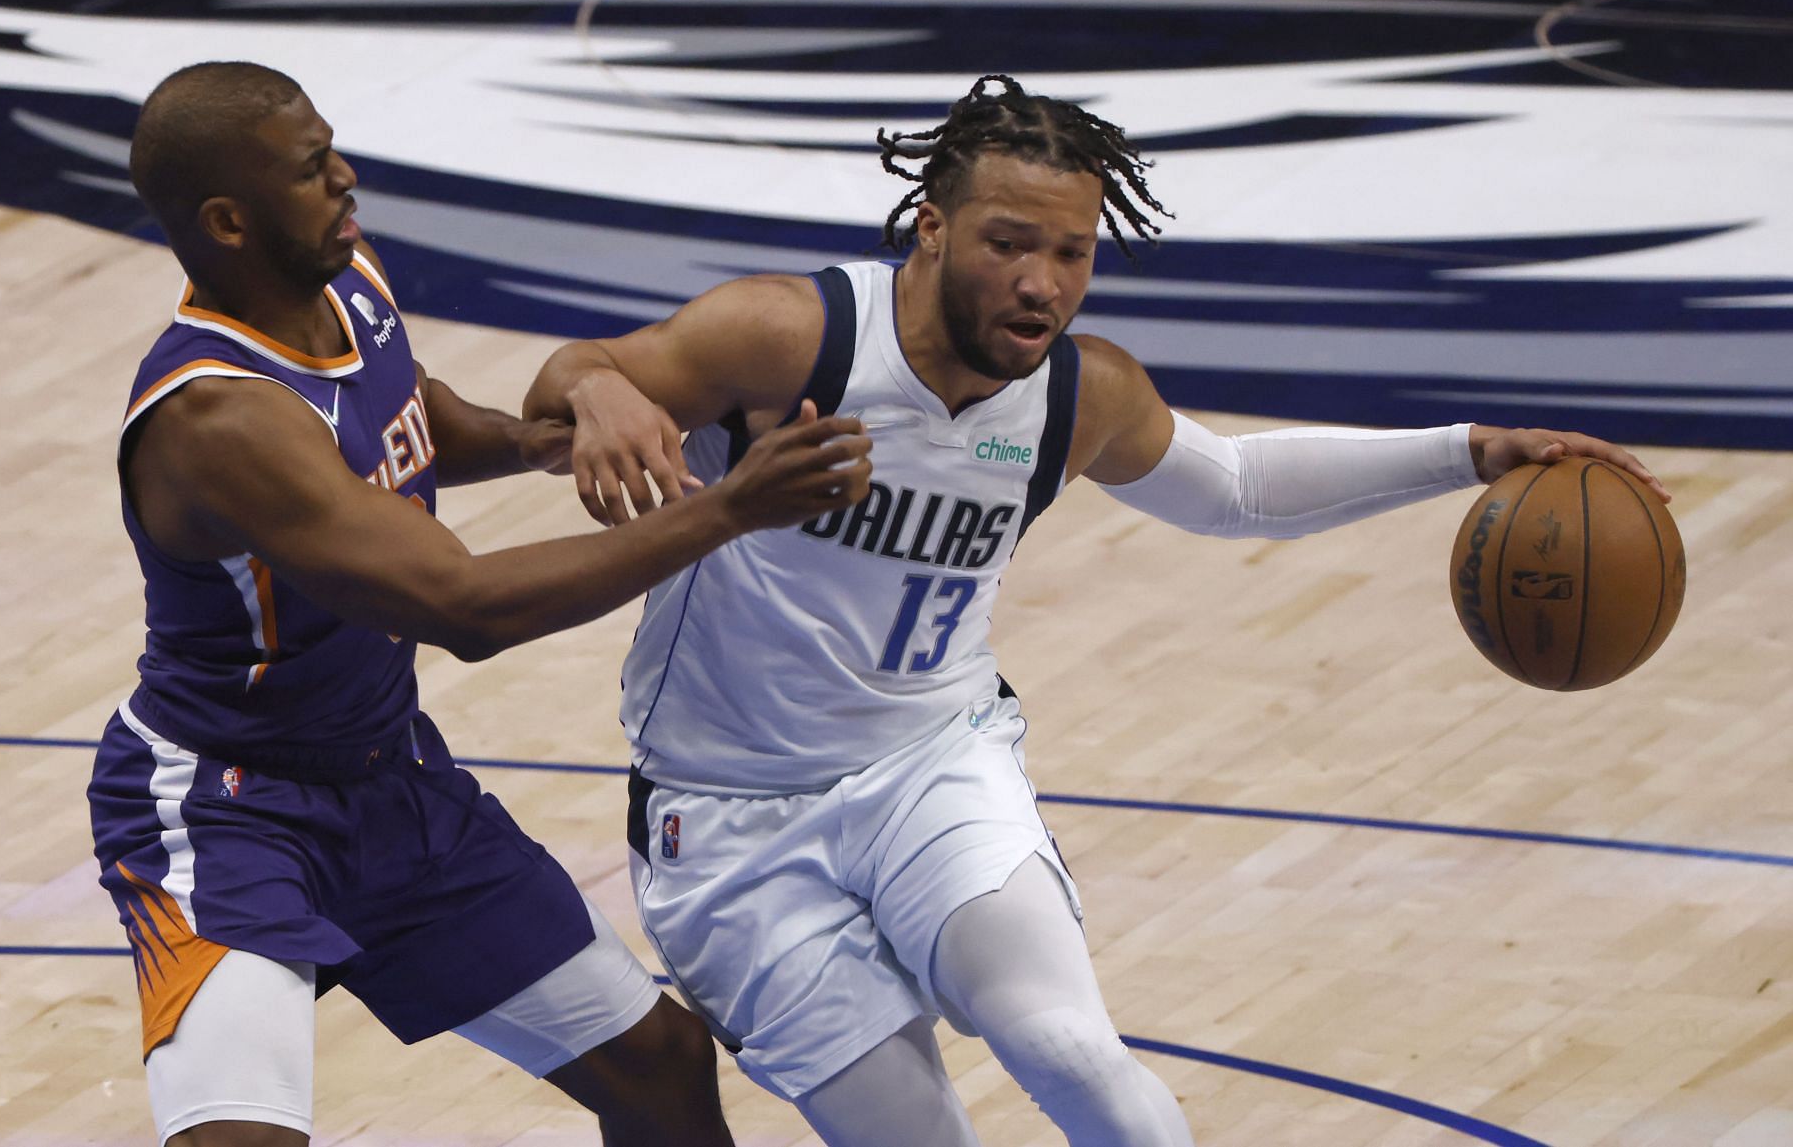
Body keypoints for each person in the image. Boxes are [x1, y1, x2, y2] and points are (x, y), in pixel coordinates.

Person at [522, 75, 1670, 1147]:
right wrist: (600, 387)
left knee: (1076, 1053)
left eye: (1071, 252)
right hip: (727, 816)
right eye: (1008, 243)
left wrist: (1470, 452)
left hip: (932, 771)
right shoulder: (788, 335)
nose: (1042, 282)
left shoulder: (1083, 392)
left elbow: (1238, 490)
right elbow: (565, 377)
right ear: (932, 226)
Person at [86, 61, 872, 1147]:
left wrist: (541, 442)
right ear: (229, 219)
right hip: (228, 811)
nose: (346, 177)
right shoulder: (220, 422)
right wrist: (732, 505)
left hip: (388, 779)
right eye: (314, 169)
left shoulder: (347, 277)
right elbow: (466, 606)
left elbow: (411, 412)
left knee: (659, 1064)